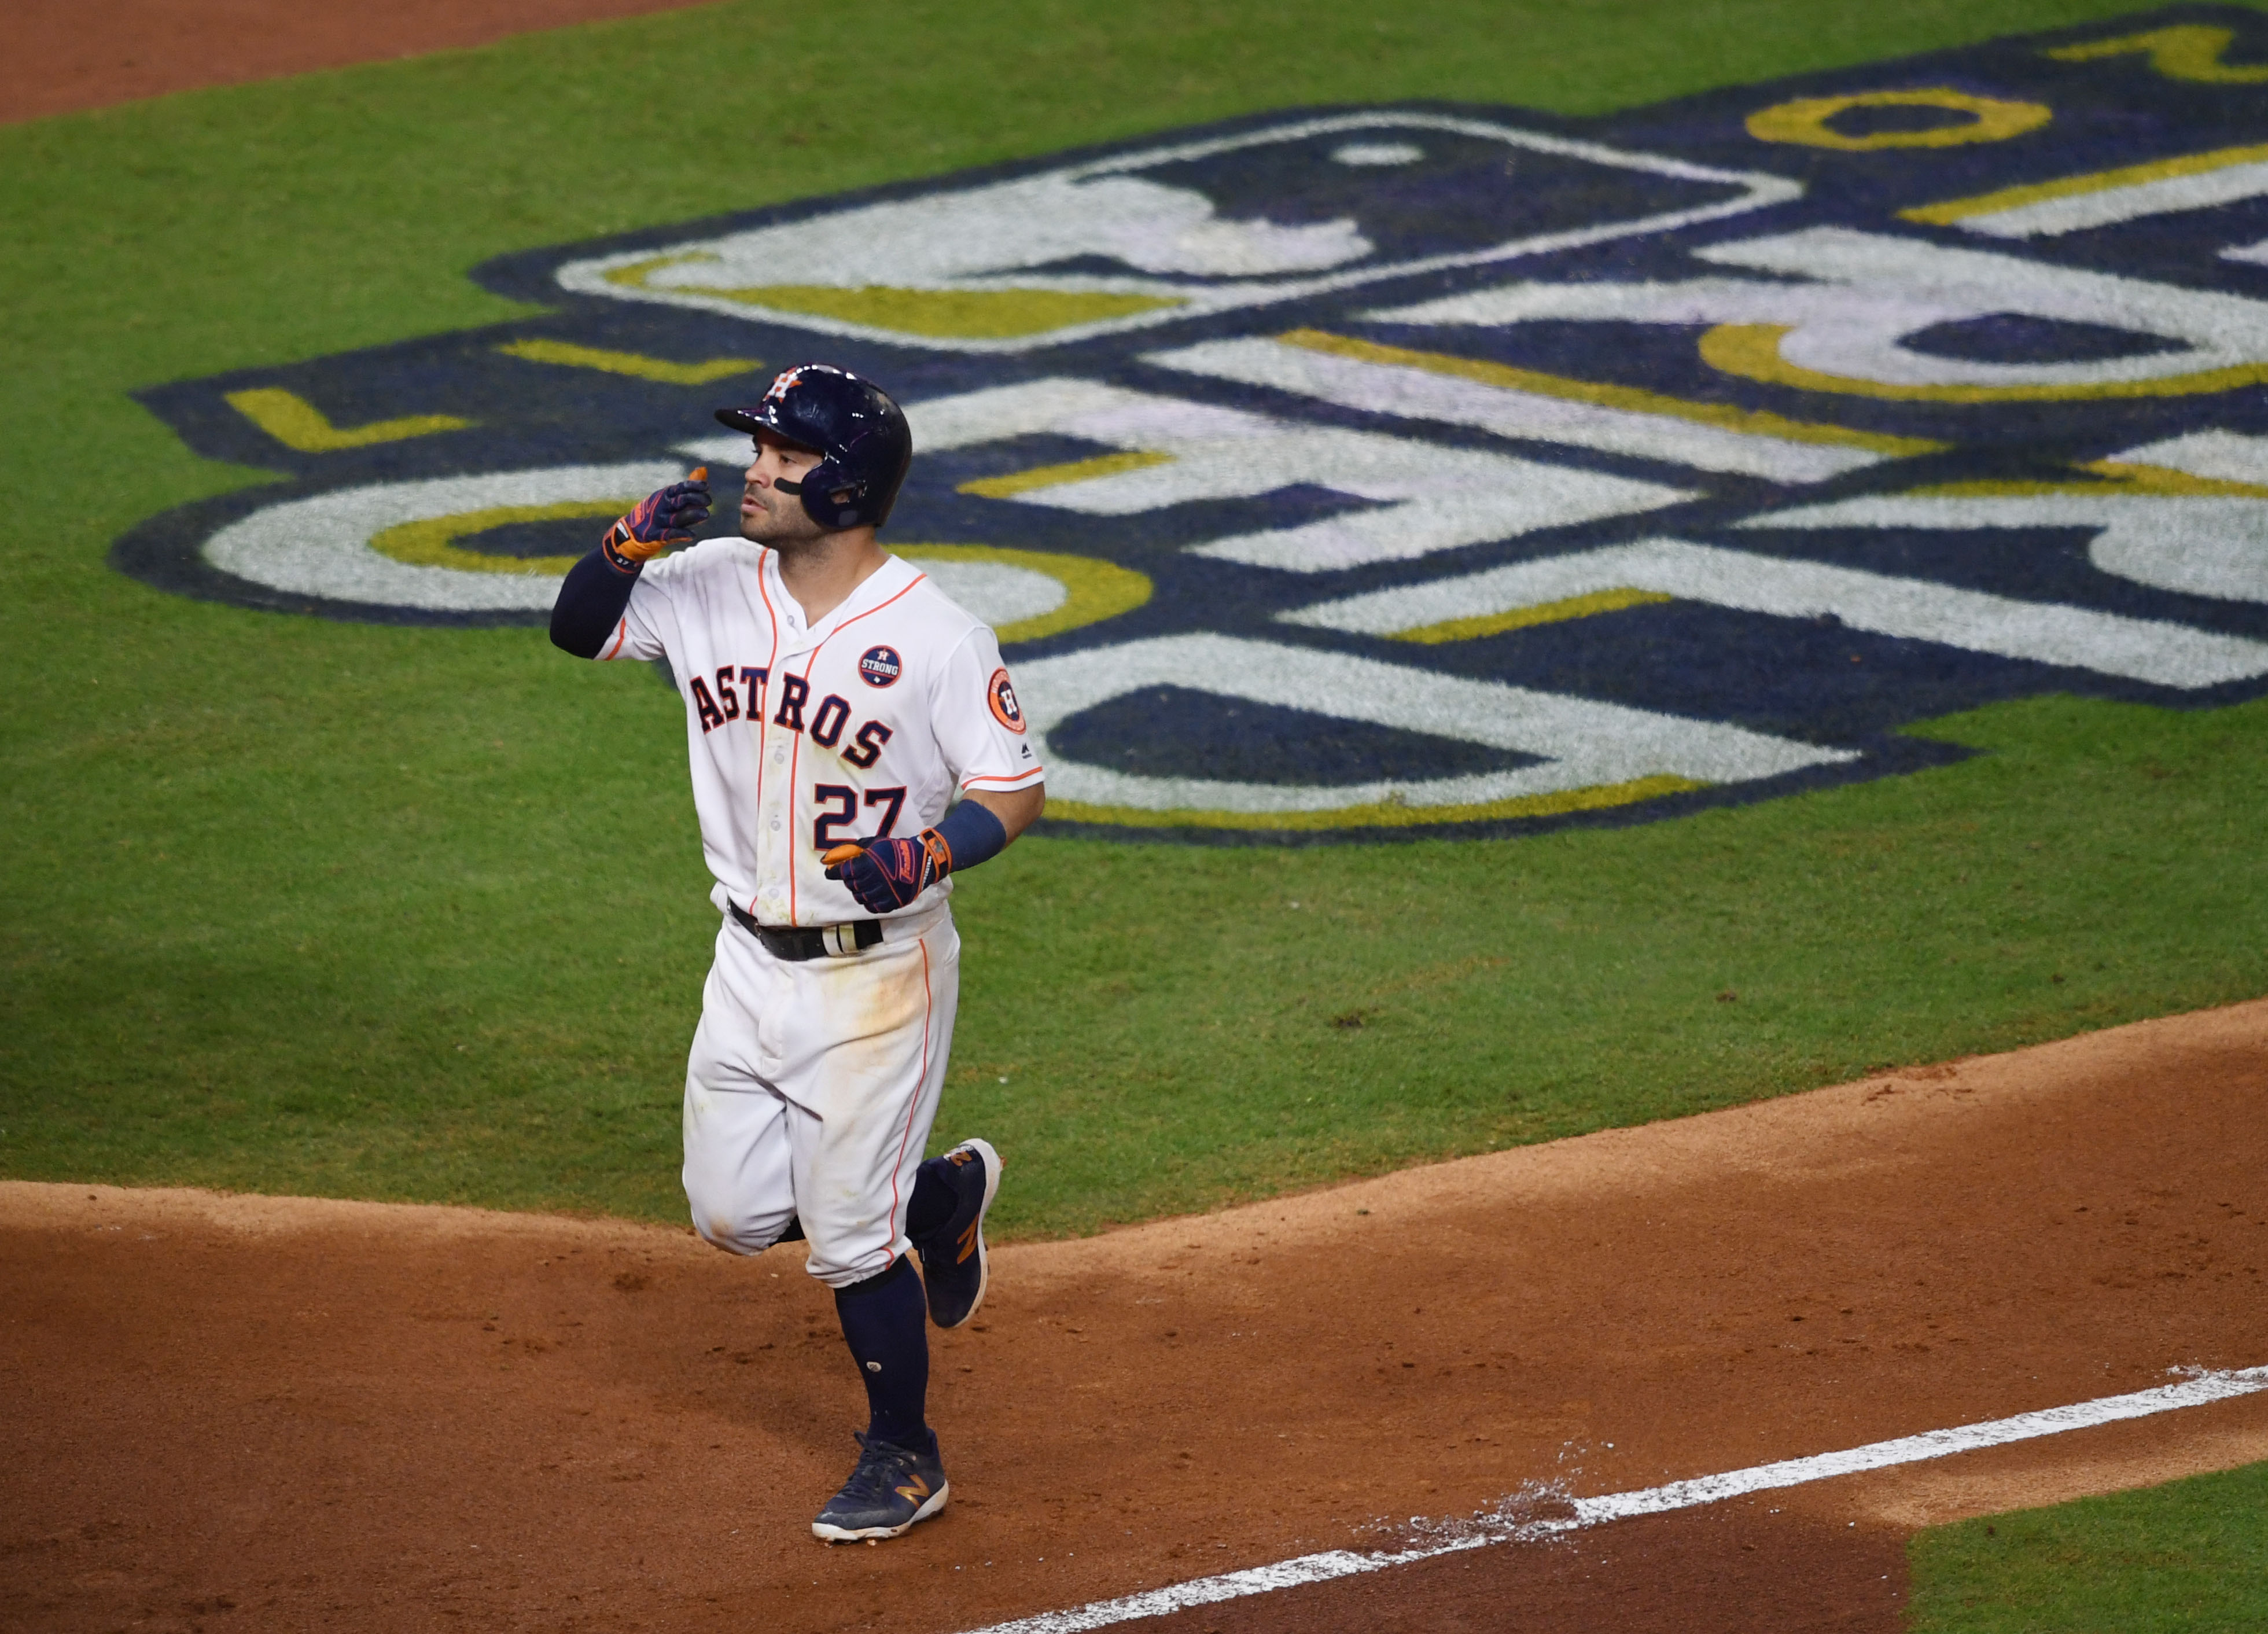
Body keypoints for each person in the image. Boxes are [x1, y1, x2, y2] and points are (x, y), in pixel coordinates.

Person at [547, 362, 1045, 1542]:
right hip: (746, 961)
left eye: (784, 455)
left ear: (850, 484)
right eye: (758, 448)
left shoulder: (934, 634)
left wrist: (931, 854)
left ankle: (907, 1456)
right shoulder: (712, 583)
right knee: (726, 1214)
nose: (754, 471)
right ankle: (941, 1193)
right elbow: (579, 630)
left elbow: (1012, 789)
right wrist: (620, 547)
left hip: (879, 975)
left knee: (845, 1238)